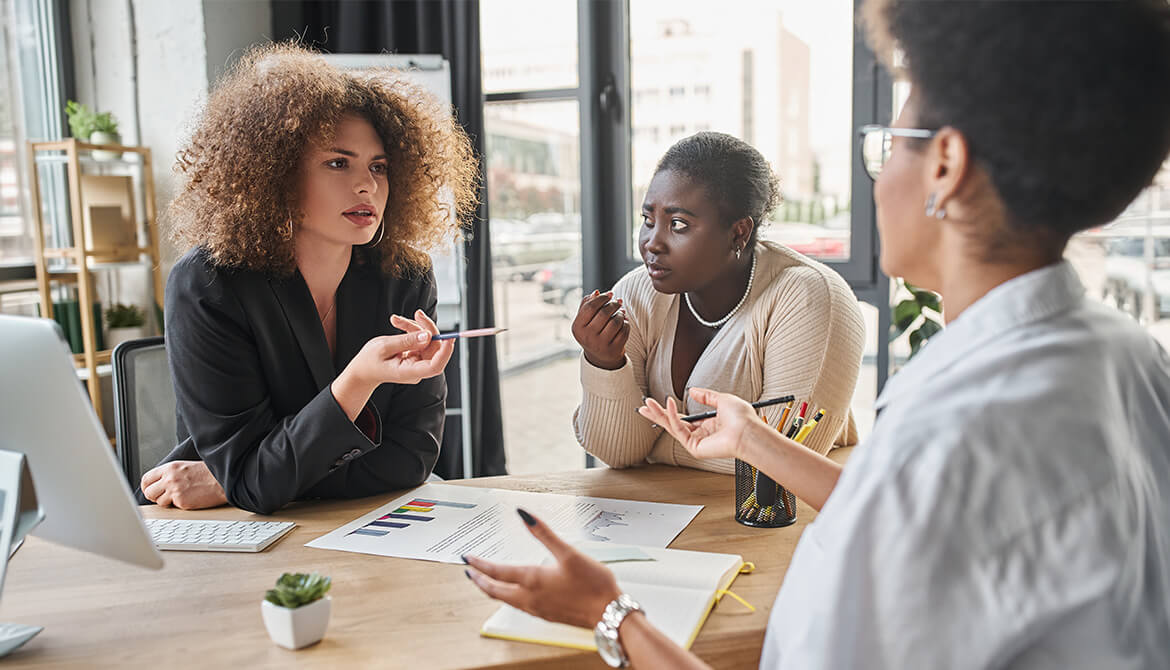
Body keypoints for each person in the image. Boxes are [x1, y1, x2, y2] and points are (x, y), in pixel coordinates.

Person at [465, 1, 1170, 667]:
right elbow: (902, 514)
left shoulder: (948, 437)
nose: (879, 175)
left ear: (946, 168)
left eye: (890, 144)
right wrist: (750, 438)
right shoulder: (1131, 357)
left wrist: (611, 613)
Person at [136, 43, 478, 515]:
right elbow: (253, 482)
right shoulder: (209, 284)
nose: (368, 186)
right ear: (275, 174)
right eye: (339, 163)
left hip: (344, 526)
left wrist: (248, 480)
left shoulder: (404, 276)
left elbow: (410, 460)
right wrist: (357, 382)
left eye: (378, 166)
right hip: (231, 535)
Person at [573, 132, 865, 472]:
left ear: (738, 233)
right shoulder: (637, 295)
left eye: (678, 224)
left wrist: (657, 442)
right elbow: (619, 453)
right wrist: (603, 362)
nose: (652, 243)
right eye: (648, 221)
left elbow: (784, 460)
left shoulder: (808, 298)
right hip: (659, 512)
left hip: (778, 517)